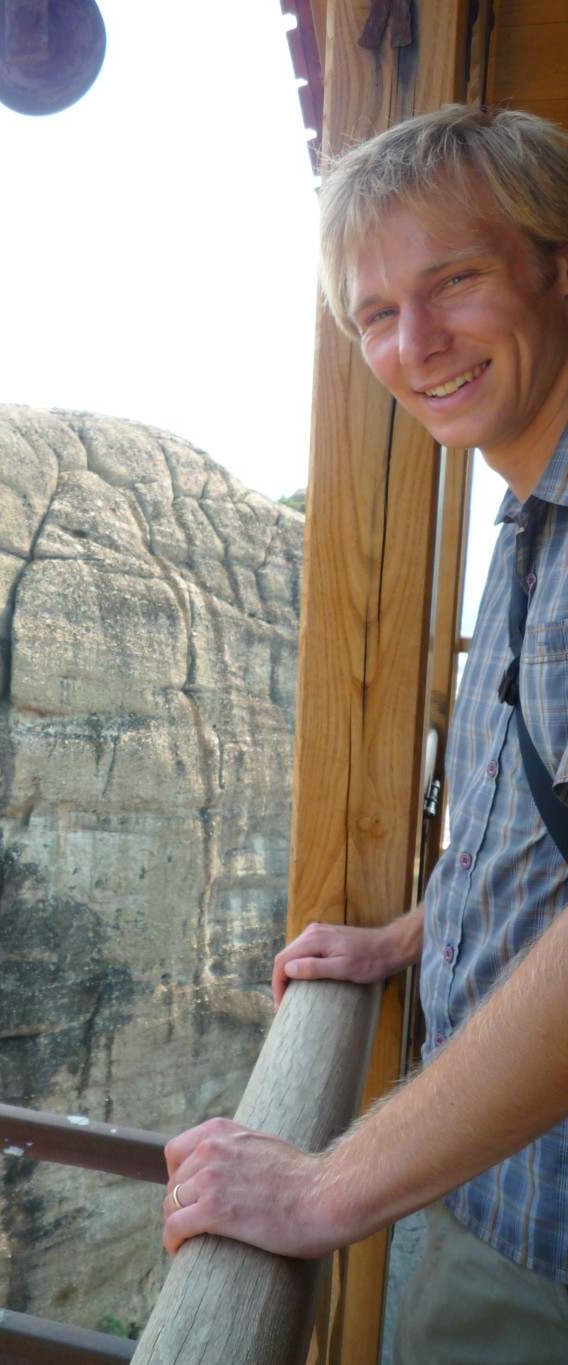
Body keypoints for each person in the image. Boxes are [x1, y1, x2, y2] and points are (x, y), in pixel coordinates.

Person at [161, 105, 568, 1363]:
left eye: (454, 280)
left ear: (558, 268)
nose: (416, 343)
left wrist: (323, 1191)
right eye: (375, 314)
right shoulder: (529, 506)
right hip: (493, 1193)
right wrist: (421, 927)